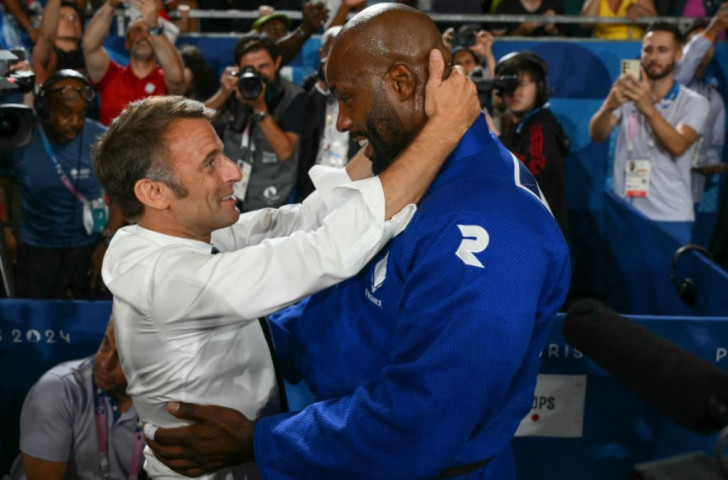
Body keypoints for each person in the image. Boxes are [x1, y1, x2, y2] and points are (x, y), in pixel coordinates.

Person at [144, 4, 571, 479]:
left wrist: (259, 441)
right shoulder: (405, 171)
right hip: (336, 440)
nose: (343, 121)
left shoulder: (489, 229)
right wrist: (207, 346)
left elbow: (419, 421)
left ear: (403, 83)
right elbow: (340, 299)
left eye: (348, 97)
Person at [94, 55, 480, 479]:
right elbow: (326, 251)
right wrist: (443, 130)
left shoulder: (174, 234)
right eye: (210, 163)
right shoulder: (167, 280)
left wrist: (386, 133)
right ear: (154, 192)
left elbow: (303, 219)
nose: (232, 172)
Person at [589, 22, 710, 244]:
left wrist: (646, 107)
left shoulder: (694, 102)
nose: (653, 57)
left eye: (662, 50)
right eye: (648, 49)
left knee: (665, 279)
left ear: (678, 55)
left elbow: (678, 145)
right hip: (625, 212)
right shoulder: (629, 93)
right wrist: (609, 105)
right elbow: (597, 134)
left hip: (670, 218)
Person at [0, 69, 117, 299]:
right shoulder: (20, 136)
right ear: (44, 108)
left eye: (82, 114)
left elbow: (121, 195)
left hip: (91, 249)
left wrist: (108, 242)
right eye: (65, 113)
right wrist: (6, 229)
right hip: (38, 251)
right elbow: (2, 180)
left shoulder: (102, 139)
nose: (75, 123)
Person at [6, 319, 145, 480]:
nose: (105, 362)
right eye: (106, 344)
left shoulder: (169, 402)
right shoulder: (58, 389)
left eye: (122, 358)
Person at [206, 33, 305, 212]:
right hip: (230, 191)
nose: (258, 75)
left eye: (264, 66)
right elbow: (195, 122)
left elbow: (285, 151)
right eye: (250, 68)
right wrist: (222, 94)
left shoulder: (293, 96)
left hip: (271, 197)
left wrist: (259, 108)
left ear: (277, 63)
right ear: (238, 68)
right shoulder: (232, 90)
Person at [494, 51, 569, 237]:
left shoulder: (541, 125)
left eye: (523, 84)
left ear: (540, 87)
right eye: (509, 85)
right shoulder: (519, 125)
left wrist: (497, 141)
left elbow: (535, 170)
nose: (515, 92)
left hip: (540, 235)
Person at [82, 0, 186, 125]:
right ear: (127, 43)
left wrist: (155, 28)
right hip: (113, 144)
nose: (143, 36)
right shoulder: (110, 75)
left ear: (157, 41)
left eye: (149, 32)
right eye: (137, 30)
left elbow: (177, 79)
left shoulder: (164, 80)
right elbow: (90, 48)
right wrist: (110, 4)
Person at [296, 25, 359, 201]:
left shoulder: (365, 87)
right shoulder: (310, 87)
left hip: (352, 180)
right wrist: (324, 86)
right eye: (333, 53)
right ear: (321, 55)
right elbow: (305, 132)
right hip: (315, 183)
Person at [31, 0, 84, 85]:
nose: (70, 20)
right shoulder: (48, 55)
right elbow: (47, 37)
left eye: (75, 17)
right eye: (62, 17)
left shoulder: (87, 55)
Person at [580, 0, 657, 39]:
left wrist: (638, 10)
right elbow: (585, 24)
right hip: (602, 48)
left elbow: (654, 21)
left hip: (633, 47)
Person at [491, 0, 563, 37]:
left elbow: (566, 41)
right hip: (514, 59)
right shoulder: (505, 6)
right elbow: (497, 43)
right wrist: (521, 31)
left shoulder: (554, 6)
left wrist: (553, 31)